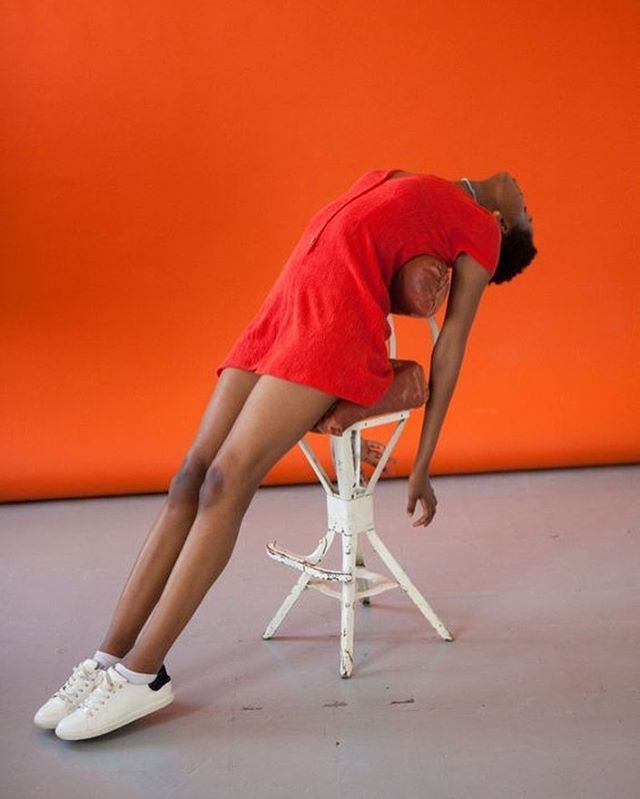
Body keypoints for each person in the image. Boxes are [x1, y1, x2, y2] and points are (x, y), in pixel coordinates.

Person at [34, 167, 537, 740]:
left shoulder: (483, 233)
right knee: (188, 477)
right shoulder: (434, 187)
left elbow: (451, 346)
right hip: (286, 307)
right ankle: (107, 658)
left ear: (505, 224)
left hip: (332, 327)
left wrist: (424, 462)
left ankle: (143, 673)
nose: (526, 195)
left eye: (528, 213)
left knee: (227, 479)